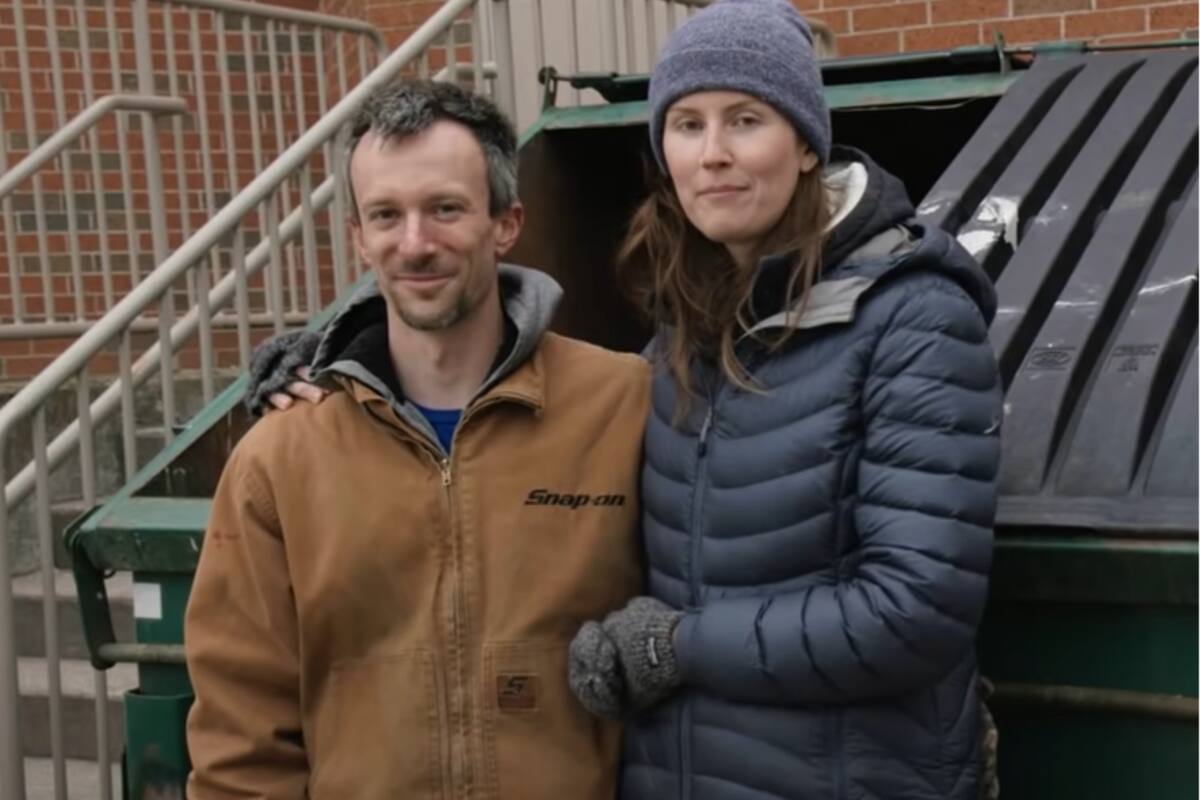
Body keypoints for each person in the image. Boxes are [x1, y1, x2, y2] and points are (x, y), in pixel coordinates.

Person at [564, 1, 1003, 799]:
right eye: (687, 125)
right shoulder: (684, 329)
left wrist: (680, 645)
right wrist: (350, 365)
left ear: (805, 144)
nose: (714, 155)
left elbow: (914, 611)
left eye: (746, 119)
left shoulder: (911, 317)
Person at [184, 80, 650, 799]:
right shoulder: (280, 459)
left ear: (506, 222)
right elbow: (242, 740)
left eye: (445, 209)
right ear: (358, 238)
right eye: (386, 215)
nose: (415, 243)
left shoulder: (624, 408)